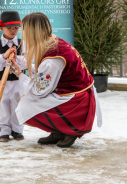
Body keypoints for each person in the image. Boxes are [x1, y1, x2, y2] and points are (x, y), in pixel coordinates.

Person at [10, 12, 102, 148]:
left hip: (76, 100)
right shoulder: (54, 43)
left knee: (25, 104)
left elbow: (38, 91)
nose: (23, 35)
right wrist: (21, 67)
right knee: (27, 100)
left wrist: (20, 75)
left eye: (25, 31)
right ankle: (58, 131)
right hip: (76, 93)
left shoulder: (53, 58)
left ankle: (70, 129)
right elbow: (47, 73)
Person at [0, 11, 27, 142]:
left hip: (17, 81)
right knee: (1, 104)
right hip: (0, 81)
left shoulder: (22, 44)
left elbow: (27, 61)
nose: (13, 31)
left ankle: (17, 130)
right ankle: (3, 131)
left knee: (18, 104)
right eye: (9, 28)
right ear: (1, 28)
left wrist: (16, 59)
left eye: (16, 28)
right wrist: (4, 56)